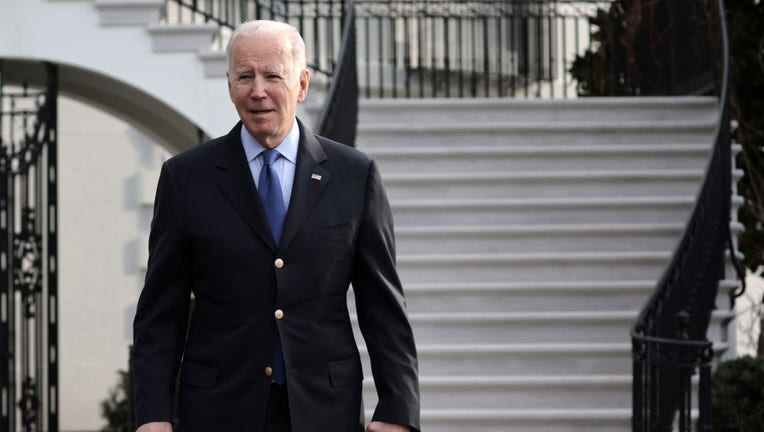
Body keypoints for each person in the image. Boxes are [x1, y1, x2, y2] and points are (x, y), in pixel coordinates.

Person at [131, 19, 420, 432]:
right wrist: (153, 416)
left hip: (325, 411)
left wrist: (398, 410)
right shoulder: (185, 179)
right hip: (218, 411)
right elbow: (160, 313)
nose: (258, 91)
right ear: (230, 85)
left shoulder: (355, 176)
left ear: (302, 85)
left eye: (272, 75)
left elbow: (384, 310)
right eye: (245, 76)